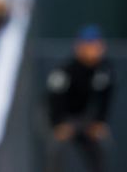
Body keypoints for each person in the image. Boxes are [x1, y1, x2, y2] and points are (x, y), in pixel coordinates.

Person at [45, 25, 115, 172]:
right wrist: (58, 123)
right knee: (56, 146)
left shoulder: (104, 69)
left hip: (85, 119)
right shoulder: (66, 70)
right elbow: (53, 99)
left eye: (95, 45)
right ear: (79, 47)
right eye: (88, 45)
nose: (92, 50)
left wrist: (99, 121)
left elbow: (105, 99)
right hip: (61, 117)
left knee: (101, 144)